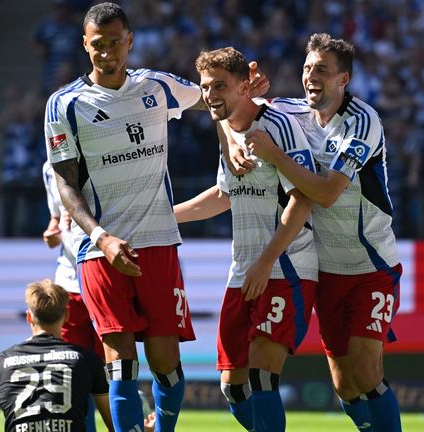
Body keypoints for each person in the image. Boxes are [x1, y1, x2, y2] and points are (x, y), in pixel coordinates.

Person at [44, 4, 268, 431]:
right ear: (84, 45)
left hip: (159, 242)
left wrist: (245, 94)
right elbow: (66, 185)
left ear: (130, 41)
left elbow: (214, 100)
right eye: (98, 45)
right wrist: (102, 238)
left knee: (167, 364)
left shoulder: (157, 86)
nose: (107, 52)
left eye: (115, 42)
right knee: (120, 362)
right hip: (101, 252)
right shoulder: (65, 104)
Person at [228, 33, 403, 432]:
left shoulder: (362, 121)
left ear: (344, 79)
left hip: (369, 264)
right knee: (344, 385)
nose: (310, 76)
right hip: (324, 271)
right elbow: (229, 112)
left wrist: (273, 154)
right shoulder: (289, 112)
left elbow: (325, 193)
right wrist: (234, 135)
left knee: (365, 368)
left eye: (321, 70)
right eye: (307, 68)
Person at [174, 47, 318, 432]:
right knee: (232, 387)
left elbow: (302, 202)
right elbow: (224, 195)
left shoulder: (280, 126)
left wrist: (266, 262)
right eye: (206, 87)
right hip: (243, 271)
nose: (210, 94)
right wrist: (165, 216)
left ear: (244, 85)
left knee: (261, 376)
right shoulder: (230, 136)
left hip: (284, 266)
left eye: (220, 85)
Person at [0, 279, 113, 432]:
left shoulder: (1, 362)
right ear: (67, 315)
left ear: (29, 317)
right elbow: (114, 424)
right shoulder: (87, 360)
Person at [42, 159, 107, 431]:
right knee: (71, 372)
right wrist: (52, 233)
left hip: (104, 279)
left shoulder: (100, 154)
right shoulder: (49, 167)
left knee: (109, 372)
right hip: (69, 285)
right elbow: (56, 218)